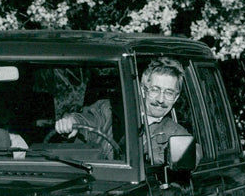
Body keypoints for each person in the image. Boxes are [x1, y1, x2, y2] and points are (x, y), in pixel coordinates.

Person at [54, 57, 188, 164]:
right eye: (155, 90)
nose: (160, 99)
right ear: (142, 90)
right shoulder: (109, 110)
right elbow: (88, 119)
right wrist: (72, 121)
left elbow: (192, 155)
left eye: (169, 93)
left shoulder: (177, 134)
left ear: (176, 97)